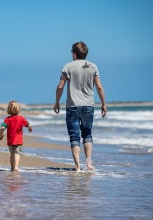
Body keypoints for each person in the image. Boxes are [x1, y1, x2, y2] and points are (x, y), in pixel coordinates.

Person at [54, 41, 107, 171]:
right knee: (87, 134)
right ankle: (88, 162)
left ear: (75, 53)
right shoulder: (93, 66)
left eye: (72, 52)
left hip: (72, 106)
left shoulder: (68, 66)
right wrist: (103, 104)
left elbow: (60, 86)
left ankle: (77, 166)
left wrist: (57, 102)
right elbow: (99, 86)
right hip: (88, 105)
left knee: (74, 136)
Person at [0, 101, 33, 172]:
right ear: (18, 109)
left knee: (12, 154)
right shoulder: (21, 118)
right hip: (18, 140)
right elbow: (27, 124)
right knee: (17, 153)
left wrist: (0, 136)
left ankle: (12, 167)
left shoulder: (7, 119)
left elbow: (2, 127)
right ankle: (16, 167)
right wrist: (29, 127)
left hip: (10, 140)